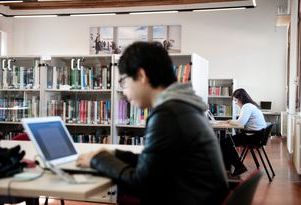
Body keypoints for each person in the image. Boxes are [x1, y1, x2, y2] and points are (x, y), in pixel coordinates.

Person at [76, 41, 228, 205]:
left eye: (123, 82)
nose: (125, 92)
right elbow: (156, 164)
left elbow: (143, 184)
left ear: (141, 76)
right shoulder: (182, 106)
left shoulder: (168, 114)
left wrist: (99, 160)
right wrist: (115, 155)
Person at [221, 88, 267, 176]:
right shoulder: (251, 105)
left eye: (236, 100)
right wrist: (232, 121)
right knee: (226, 142)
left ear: (241, 98)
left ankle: (238, 167)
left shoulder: (247, 107)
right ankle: (229, 168)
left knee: (225, 143)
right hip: (257, 135)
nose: (235, 102)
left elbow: (240, 123)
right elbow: (241, 122)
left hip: (253, 137)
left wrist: (229, 121)